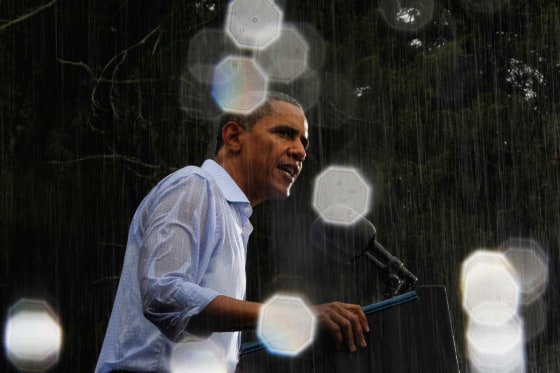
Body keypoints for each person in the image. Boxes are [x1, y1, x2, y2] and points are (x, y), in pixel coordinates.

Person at [95, 92, 370, 373]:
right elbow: (163, 293)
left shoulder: (235, 218)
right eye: (285, 133)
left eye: (303, 141)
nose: (300, 151)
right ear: (234, 137)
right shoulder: (195, 186)